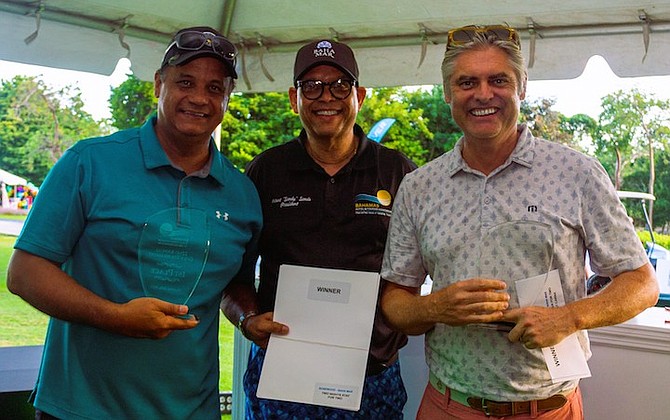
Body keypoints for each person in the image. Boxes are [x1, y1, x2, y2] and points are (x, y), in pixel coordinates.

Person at [379, 24, 660, 419]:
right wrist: (435, 307)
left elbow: (642, 283)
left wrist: (568, 318)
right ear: (447, 93)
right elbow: (394, 302)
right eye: (466, 82)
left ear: (522, 86)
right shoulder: (419, 186)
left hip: (548, 409)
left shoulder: (575, 173)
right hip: (448, 405)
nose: (482, 94)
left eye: (499, 80)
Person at [7, 26, 262, 419]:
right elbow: (25, 273)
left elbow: (235, 286)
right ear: (159, 84)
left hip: (192, 411)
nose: (199, 97)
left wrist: (248, 318)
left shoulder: (243, 195)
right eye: (186, 82)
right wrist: (115, 317)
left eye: (215, 88)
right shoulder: (89, 162)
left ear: (228, 98)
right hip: (81, 408)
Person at [220, 39, 417, 418]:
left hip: (370, 377)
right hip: (283, 375)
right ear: (294, 98)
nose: (326, 96)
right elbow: (235, 274)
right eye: (311, 86)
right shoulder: (266, 171)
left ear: (359, 95)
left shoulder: (397, 171)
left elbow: (416, 269)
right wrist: (246, 319)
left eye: (340, 85)